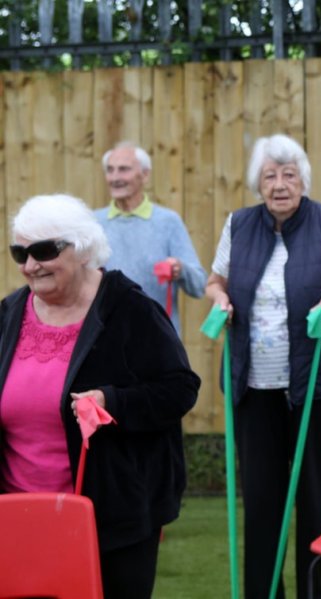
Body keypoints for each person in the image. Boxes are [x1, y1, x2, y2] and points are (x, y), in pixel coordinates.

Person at [205, 133, 321, 599]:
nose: (280, 184)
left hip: (317, 384)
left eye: (289, 175)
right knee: (262, 503)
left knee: (315, 498)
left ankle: (316, 593)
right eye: (270, 175)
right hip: (254, 386)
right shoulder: (239, 226)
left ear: (303, 180)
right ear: (258, 184)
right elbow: (215, 281)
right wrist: (220, 300)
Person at [0, 194, 200, 598]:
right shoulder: (8, 314)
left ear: (83, 247)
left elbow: (180, 388)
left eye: (44, 250)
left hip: (110, 516)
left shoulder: (130, 309)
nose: (30, 265)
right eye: (20, 252)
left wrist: (114, 401)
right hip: (18, 515)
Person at [95, 141, 207, 334]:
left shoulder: (167, 222)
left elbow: (199, 286)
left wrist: (180, 269)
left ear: (145, 175)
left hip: (157, 339)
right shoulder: (93, 223)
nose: (115, 177)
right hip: (106, 338)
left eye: (123, 170)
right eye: (110, 170)